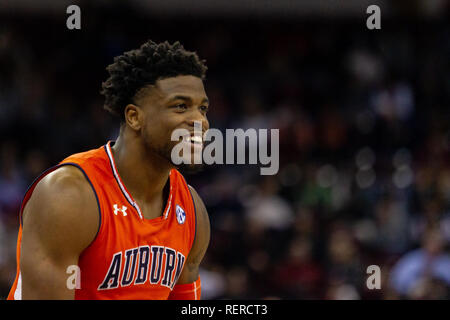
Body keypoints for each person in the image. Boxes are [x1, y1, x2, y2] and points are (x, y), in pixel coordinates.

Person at [7, 40, 211, 300]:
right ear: (134, 117)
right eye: (181, 106)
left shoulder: (192, 210)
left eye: (202, 108)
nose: (200, 121)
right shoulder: (69, 196)